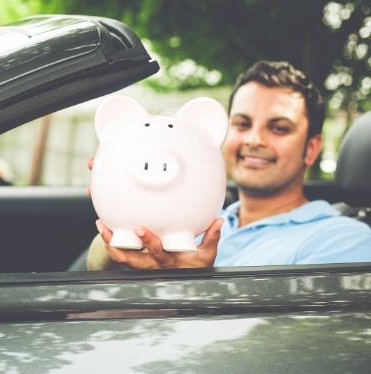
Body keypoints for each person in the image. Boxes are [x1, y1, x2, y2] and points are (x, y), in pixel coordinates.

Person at [84, 60, 371, 270]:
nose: (255, 140)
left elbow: (290, 344)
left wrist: (195, 284)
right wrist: (119, 214)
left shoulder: (345, 240)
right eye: (242, 124)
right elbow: (94, 270)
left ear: (311, 149)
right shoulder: (192, 218)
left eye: (279, 128)